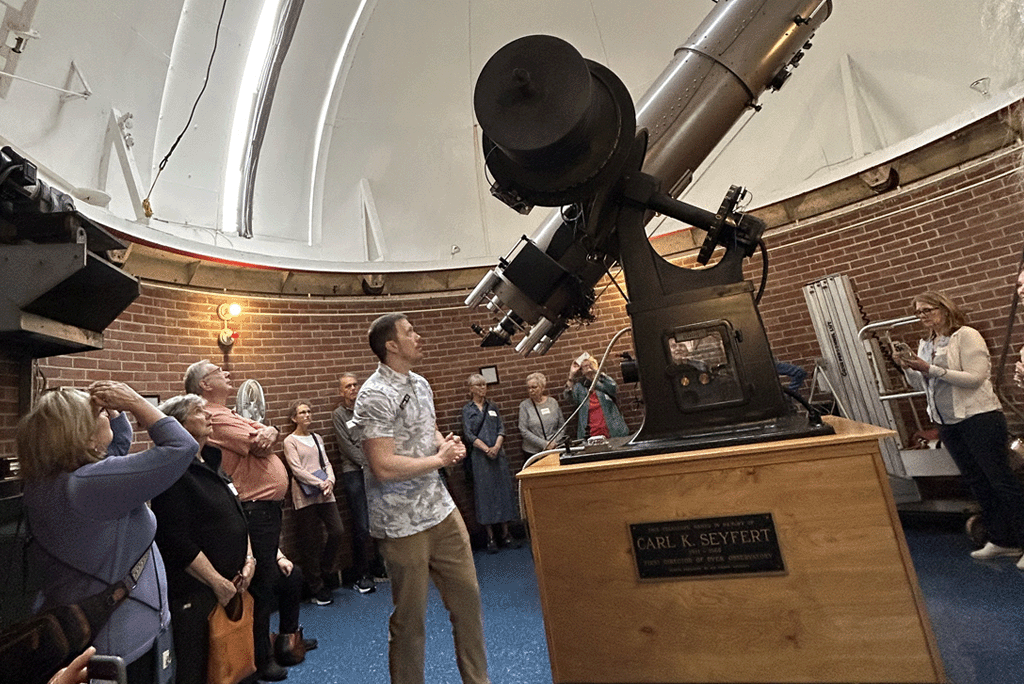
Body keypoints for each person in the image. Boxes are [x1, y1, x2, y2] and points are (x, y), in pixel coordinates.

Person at [17, 381, 196, 684]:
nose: (105, 415)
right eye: (98, 413)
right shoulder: (88, 486)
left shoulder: (52, 482)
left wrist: (115, 414)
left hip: (98, 630)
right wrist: (135, 402)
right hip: (123, 644)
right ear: (82, 434)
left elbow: (116, 448)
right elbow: (182, 447)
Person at [354, 313, 490, 684]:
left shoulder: (421, 384)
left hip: (440, 511)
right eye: (409, 332)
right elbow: (381, 464)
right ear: (391, 346)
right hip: (401, 524)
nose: (418, 336)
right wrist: (438, 459)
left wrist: (443, 444)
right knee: (410, 621)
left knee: (468, 605)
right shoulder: (373, 395)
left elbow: (427, 431)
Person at [185, 360, 309, 682]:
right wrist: (267, 431)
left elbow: (266, 434)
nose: (227, 375)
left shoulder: (231, 415)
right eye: (218, 373)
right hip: (253, 509)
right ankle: (260, 658)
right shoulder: (211, 415)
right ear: (204, 385)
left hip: (265, 510)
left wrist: (272, 429)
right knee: (262, 587)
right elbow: (259, 442)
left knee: (276, 578)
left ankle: (282, 642)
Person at [896, 291, 1024, 569]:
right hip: (948, 422)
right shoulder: (927, 343)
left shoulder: (966, 335)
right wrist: (910, 368)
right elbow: (924, 385)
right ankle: (1003, 539)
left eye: (927, 310)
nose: (923, 317)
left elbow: (975, 378)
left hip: (979, 417)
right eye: (919, 313)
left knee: (1000, 480)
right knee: (977, 481)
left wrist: (931, 369)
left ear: (944, 308)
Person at [149, 394, 256, 684]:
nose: (209, 415)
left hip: (232, 583)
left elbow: (237, 515)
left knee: (234, 666)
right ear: (178, 426)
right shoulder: (172, 471)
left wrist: (248, 559)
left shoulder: (212, 463)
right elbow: (175, 540)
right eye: (199, 411)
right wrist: (216, 582)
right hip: (198, 593)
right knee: (199, 670)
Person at [282, 398, 345, 606]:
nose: (307, 415)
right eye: (302, 413)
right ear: (294, 418)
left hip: (325, 493)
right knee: (309, 542)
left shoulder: (317, 438)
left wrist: (330, 481)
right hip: (304, 494)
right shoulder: (290, 441)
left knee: (337, 531)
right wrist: (319, 483)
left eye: (309, 411)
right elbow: (296, 469)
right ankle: (316, 587)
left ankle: (325, 570)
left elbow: (326, 462)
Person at [332, 373, 385, 594]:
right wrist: (369, 463)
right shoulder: (338, 415)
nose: (353, 389)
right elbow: (347, 446)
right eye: (348, 386)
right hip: (355, 472)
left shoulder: (365, 410)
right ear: (341, 391)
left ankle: (380, 567)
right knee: (361, 524)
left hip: (374, 470)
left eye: (355, 385)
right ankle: (362, 574)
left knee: (379, 520)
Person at [461, 374, 520, 553]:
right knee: (484, 495)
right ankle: (490, 538)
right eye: (478, 385)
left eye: (484, 384)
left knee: (503, 492)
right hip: (481, 459)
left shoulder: (492, 406)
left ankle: (506, 533)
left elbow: (501, 428)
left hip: (498, 455)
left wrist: (496, 446)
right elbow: (469, 434)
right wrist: (486, 449)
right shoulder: (467, 409)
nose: (482, 388)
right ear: (471, 389)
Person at [563, 352, 629, 441]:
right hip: (591, 434)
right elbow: (569, 398)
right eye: (584, 366)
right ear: (581, 371)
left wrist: (596, 372)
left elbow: (613, 388)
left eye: (589, 365)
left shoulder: (603, 380)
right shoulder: (580, 387)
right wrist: (572, 375)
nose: (587, 367)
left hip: (613, 431)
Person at [518, 371, 566, 458]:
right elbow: (523, 429)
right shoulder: (524, 405)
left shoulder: (553, 402)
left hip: (555, 448)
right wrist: (544, 444)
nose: (531, 390)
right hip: (533, 452)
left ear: (542, 387)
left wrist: (554, 442)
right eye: (528, 388)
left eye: (534, 387)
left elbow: (562, 425)